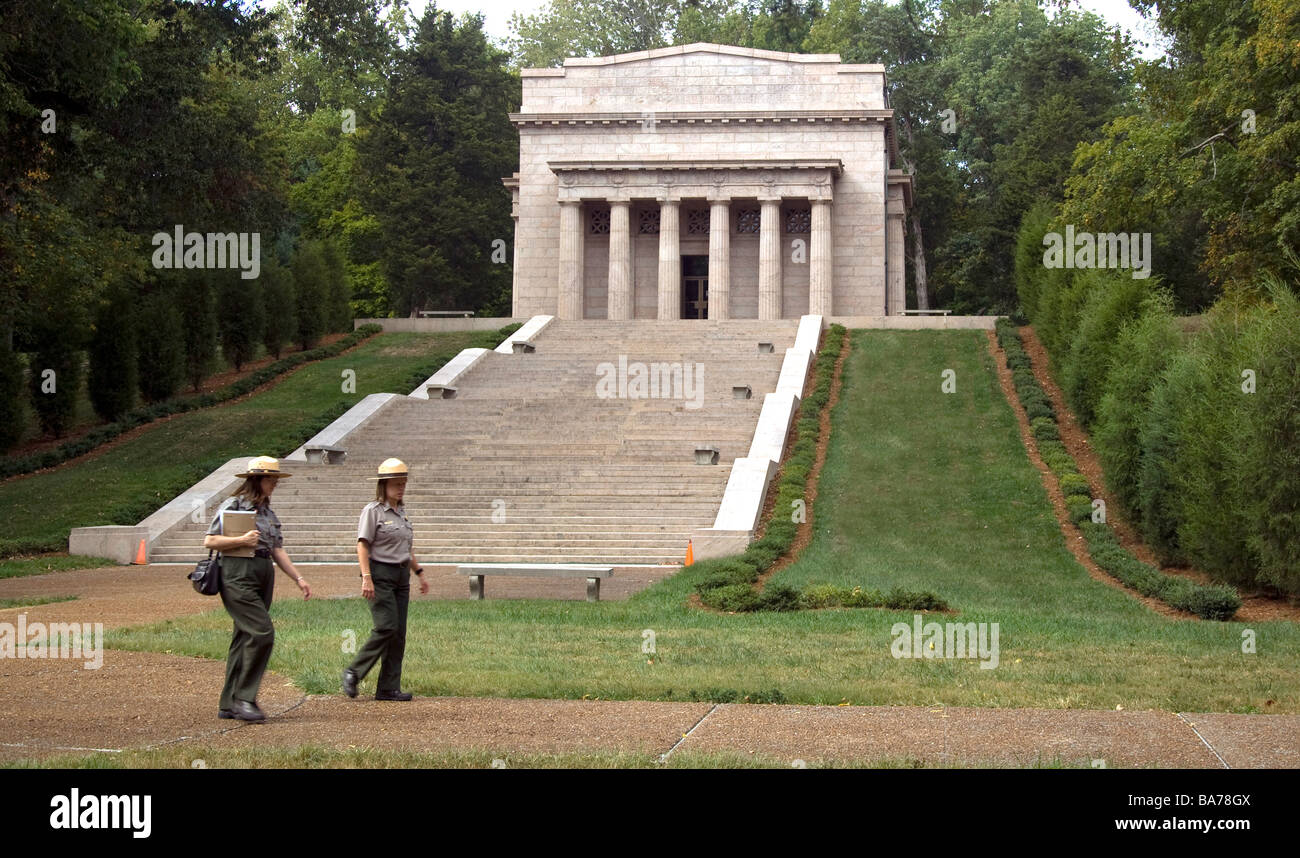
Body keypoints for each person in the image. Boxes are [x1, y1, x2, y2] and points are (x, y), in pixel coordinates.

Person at [204, 456, 311, 722]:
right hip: (238, 572)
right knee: (262, 632)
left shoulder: (268, 514)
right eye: (269, 479)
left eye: (275, 479)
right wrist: (241, 539)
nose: (274, 483)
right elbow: (210, 540)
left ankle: (228, 703)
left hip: (263, 571)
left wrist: (298, 578)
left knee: (244, 636)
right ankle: (244, 698)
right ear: (255, 480)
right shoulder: (233, 505)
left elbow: (277, 550)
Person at [342, 458, 427, 701]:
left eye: (403, 484)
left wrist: (419, 573)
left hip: (401, 576)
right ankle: (353, 671)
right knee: (386, 625)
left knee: (398, 633)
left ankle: (388, 687)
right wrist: (366, 577)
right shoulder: (373, 511)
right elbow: (362, 545)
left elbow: (405, 549)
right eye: (396, 484)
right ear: (384, 484)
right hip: (380, 574)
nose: (401, 488)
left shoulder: (402, 513)